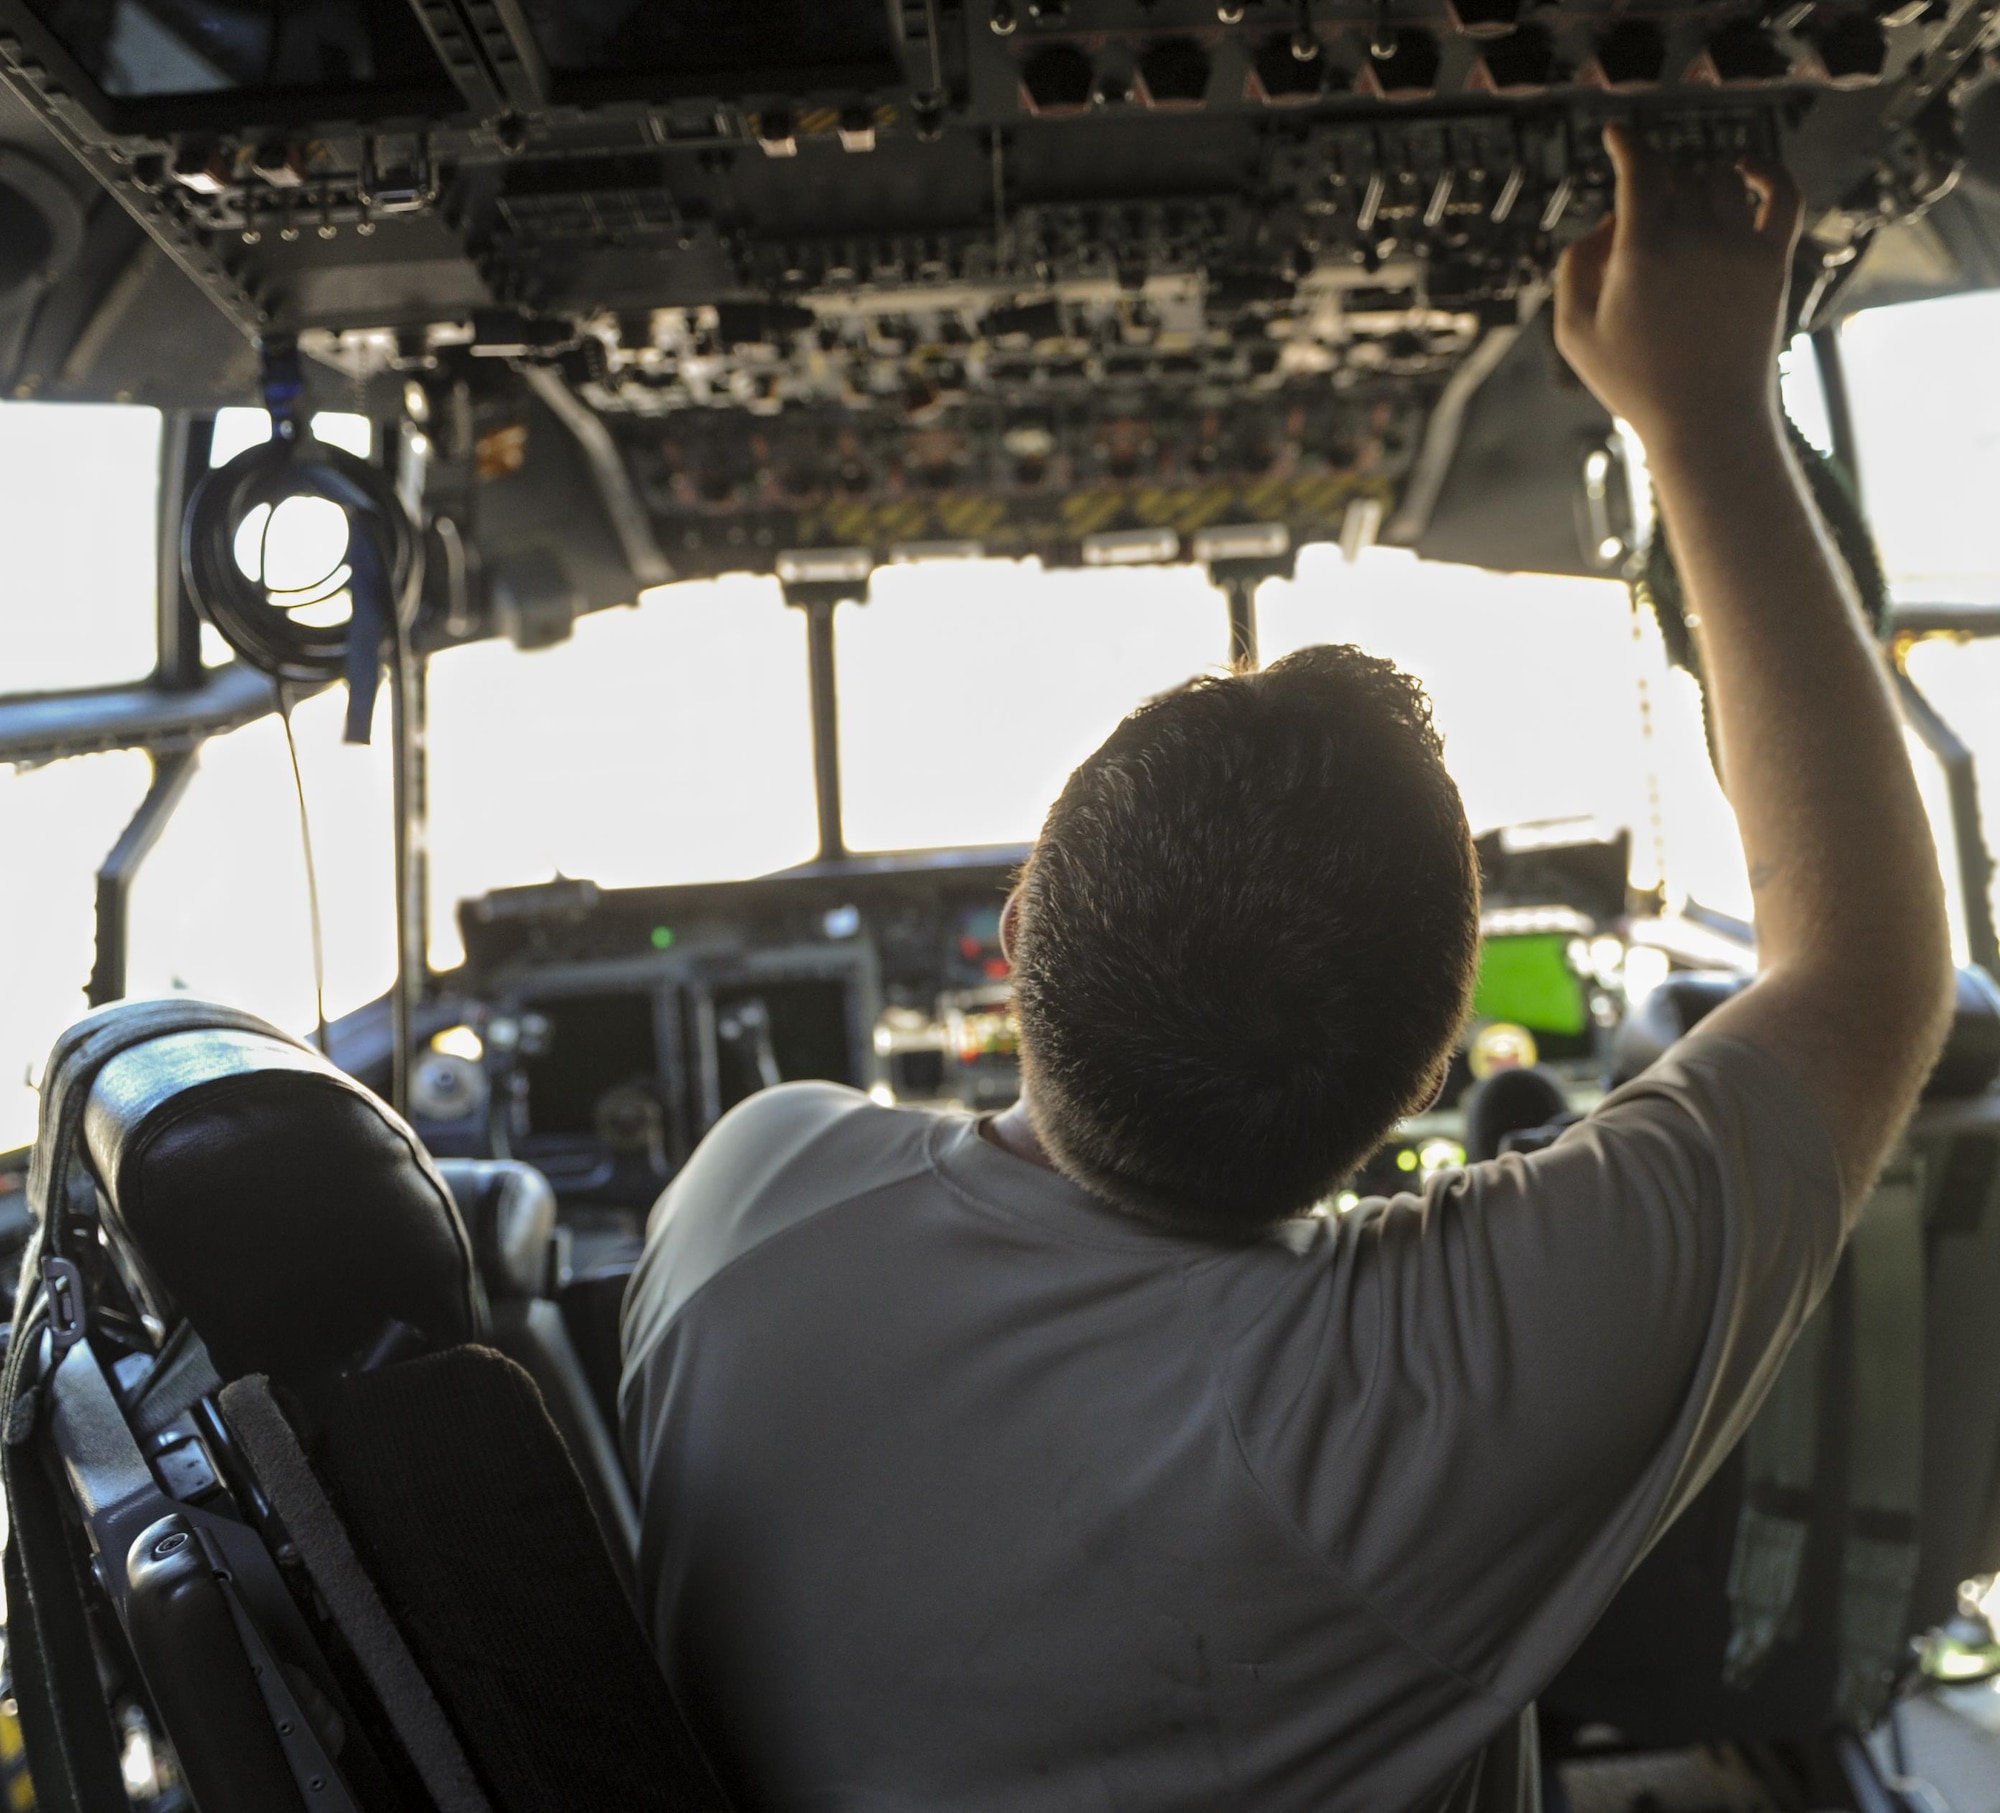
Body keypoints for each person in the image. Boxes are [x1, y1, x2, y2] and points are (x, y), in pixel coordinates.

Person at [619, 127, 1954, 1812]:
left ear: (1018, 938)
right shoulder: (1432, 1397)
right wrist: (1702, 412)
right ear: (1434, 1061)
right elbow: (1869, 967)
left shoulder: (755, 1183)